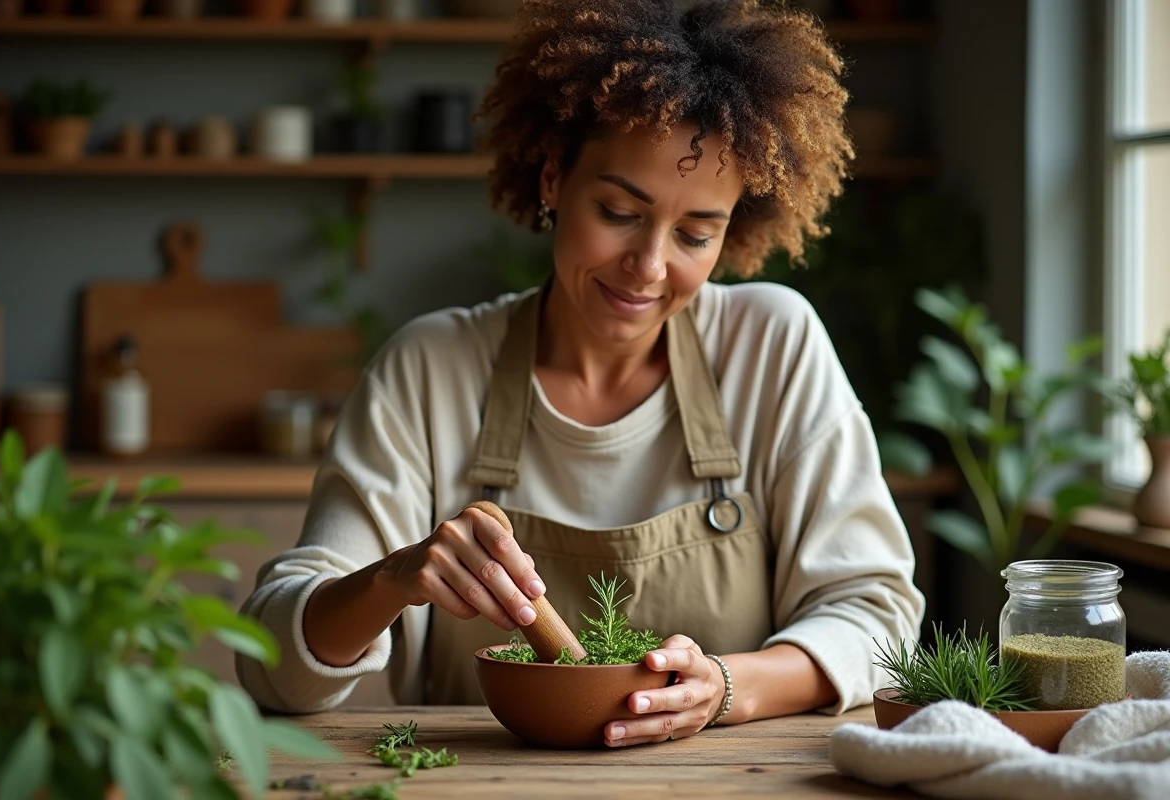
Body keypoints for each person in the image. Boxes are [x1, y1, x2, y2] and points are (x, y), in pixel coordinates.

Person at [237, 0, 924, 747]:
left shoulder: (772, 346)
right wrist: (388, 581)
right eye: (618, 211)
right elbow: (274, 671)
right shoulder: (430, 371)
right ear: (553, 177)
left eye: (697, 233)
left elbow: (876, 611)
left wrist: (726, 688)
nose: (650, 267)